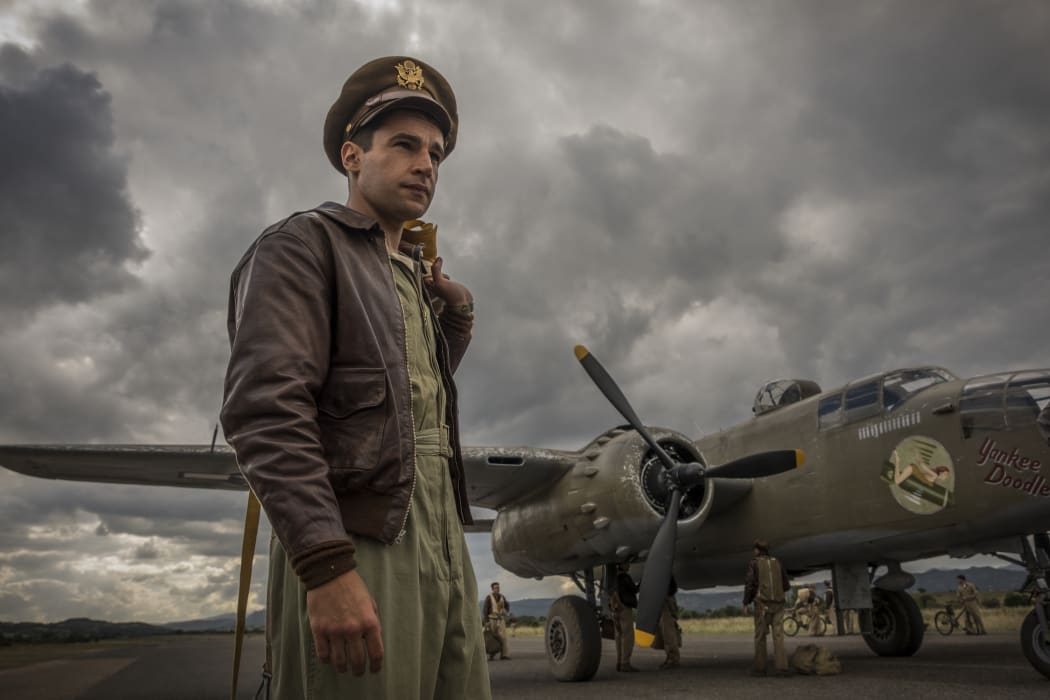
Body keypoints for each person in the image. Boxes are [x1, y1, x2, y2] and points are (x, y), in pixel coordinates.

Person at [220, 56, 489, 699]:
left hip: (444, 536)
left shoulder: (412, 278)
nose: (426, 163)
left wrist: (456, 309)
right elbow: (266, 410)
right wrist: (325, 567)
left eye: (435, 153)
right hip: (359, 539)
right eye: (404, 145)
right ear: (351, 156)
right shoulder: (303, 245)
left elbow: (402, 398)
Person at [743, 539, 791, 677]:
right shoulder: (777, 562)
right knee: (778, 636)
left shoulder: (754, 563)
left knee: (760, 636)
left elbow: (750, 583)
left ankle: (760, 668)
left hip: (762, 605)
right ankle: (782, 668)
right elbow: (786, 585)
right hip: (779, 604)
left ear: (758, 550)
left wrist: (746, 602)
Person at [610, 563, 639, 672]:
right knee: (628, 636)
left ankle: (619, 662)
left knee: (619, 635)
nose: (629, 566)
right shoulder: (625, 577)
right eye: (627, 564)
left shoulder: (612, 578)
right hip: (625, 608)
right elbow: (635, 589)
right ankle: (625, 663)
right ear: (622, 565)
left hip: (615, 608)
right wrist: (642, 582)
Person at [483, 582, 511, 660]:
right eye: (495, 587)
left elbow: (507, 605)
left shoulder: (502, 597)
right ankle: (491, 655)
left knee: (503, 637)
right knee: (492, 638)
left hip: (500, 619)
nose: (497, 589)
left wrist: (506, 611)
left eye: (498, 587)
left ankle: (505, 655)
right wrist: (486, 621)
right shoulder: (489, 597)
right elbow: (485, 610)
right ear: (492, 589)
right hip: (491, 619)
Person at [658, 576, 681, 669]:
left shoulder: (667, 577)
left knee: (669, 633)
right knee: (666, 632)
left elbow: (672, 589)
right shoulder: (667, 576)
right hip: (666, 603)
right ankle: (671, 657)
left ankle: (673, 659)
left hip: (666, 603)